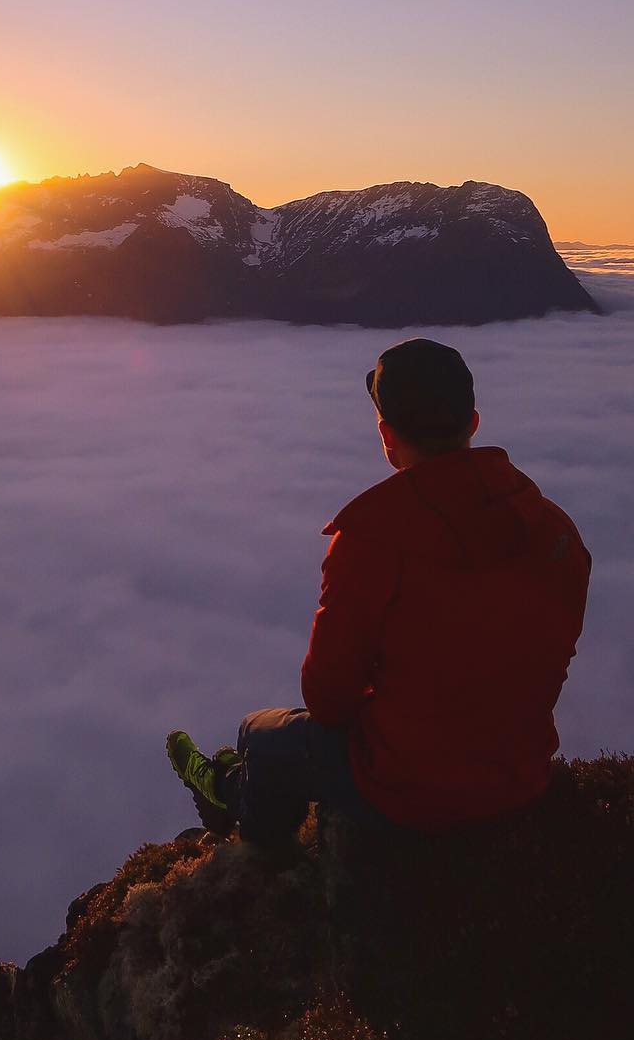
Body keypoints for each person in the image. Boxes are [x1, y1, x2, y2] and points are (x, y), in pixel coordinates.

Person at [167, 338, 592, 844]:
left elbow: (327, 698)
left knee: (259, 736)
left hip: (406, 796)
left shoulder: (372, 543)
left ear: (386, 435)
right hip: (521, 779)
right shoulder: (556, 531)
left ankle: (246, 840)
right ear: (473, 423)